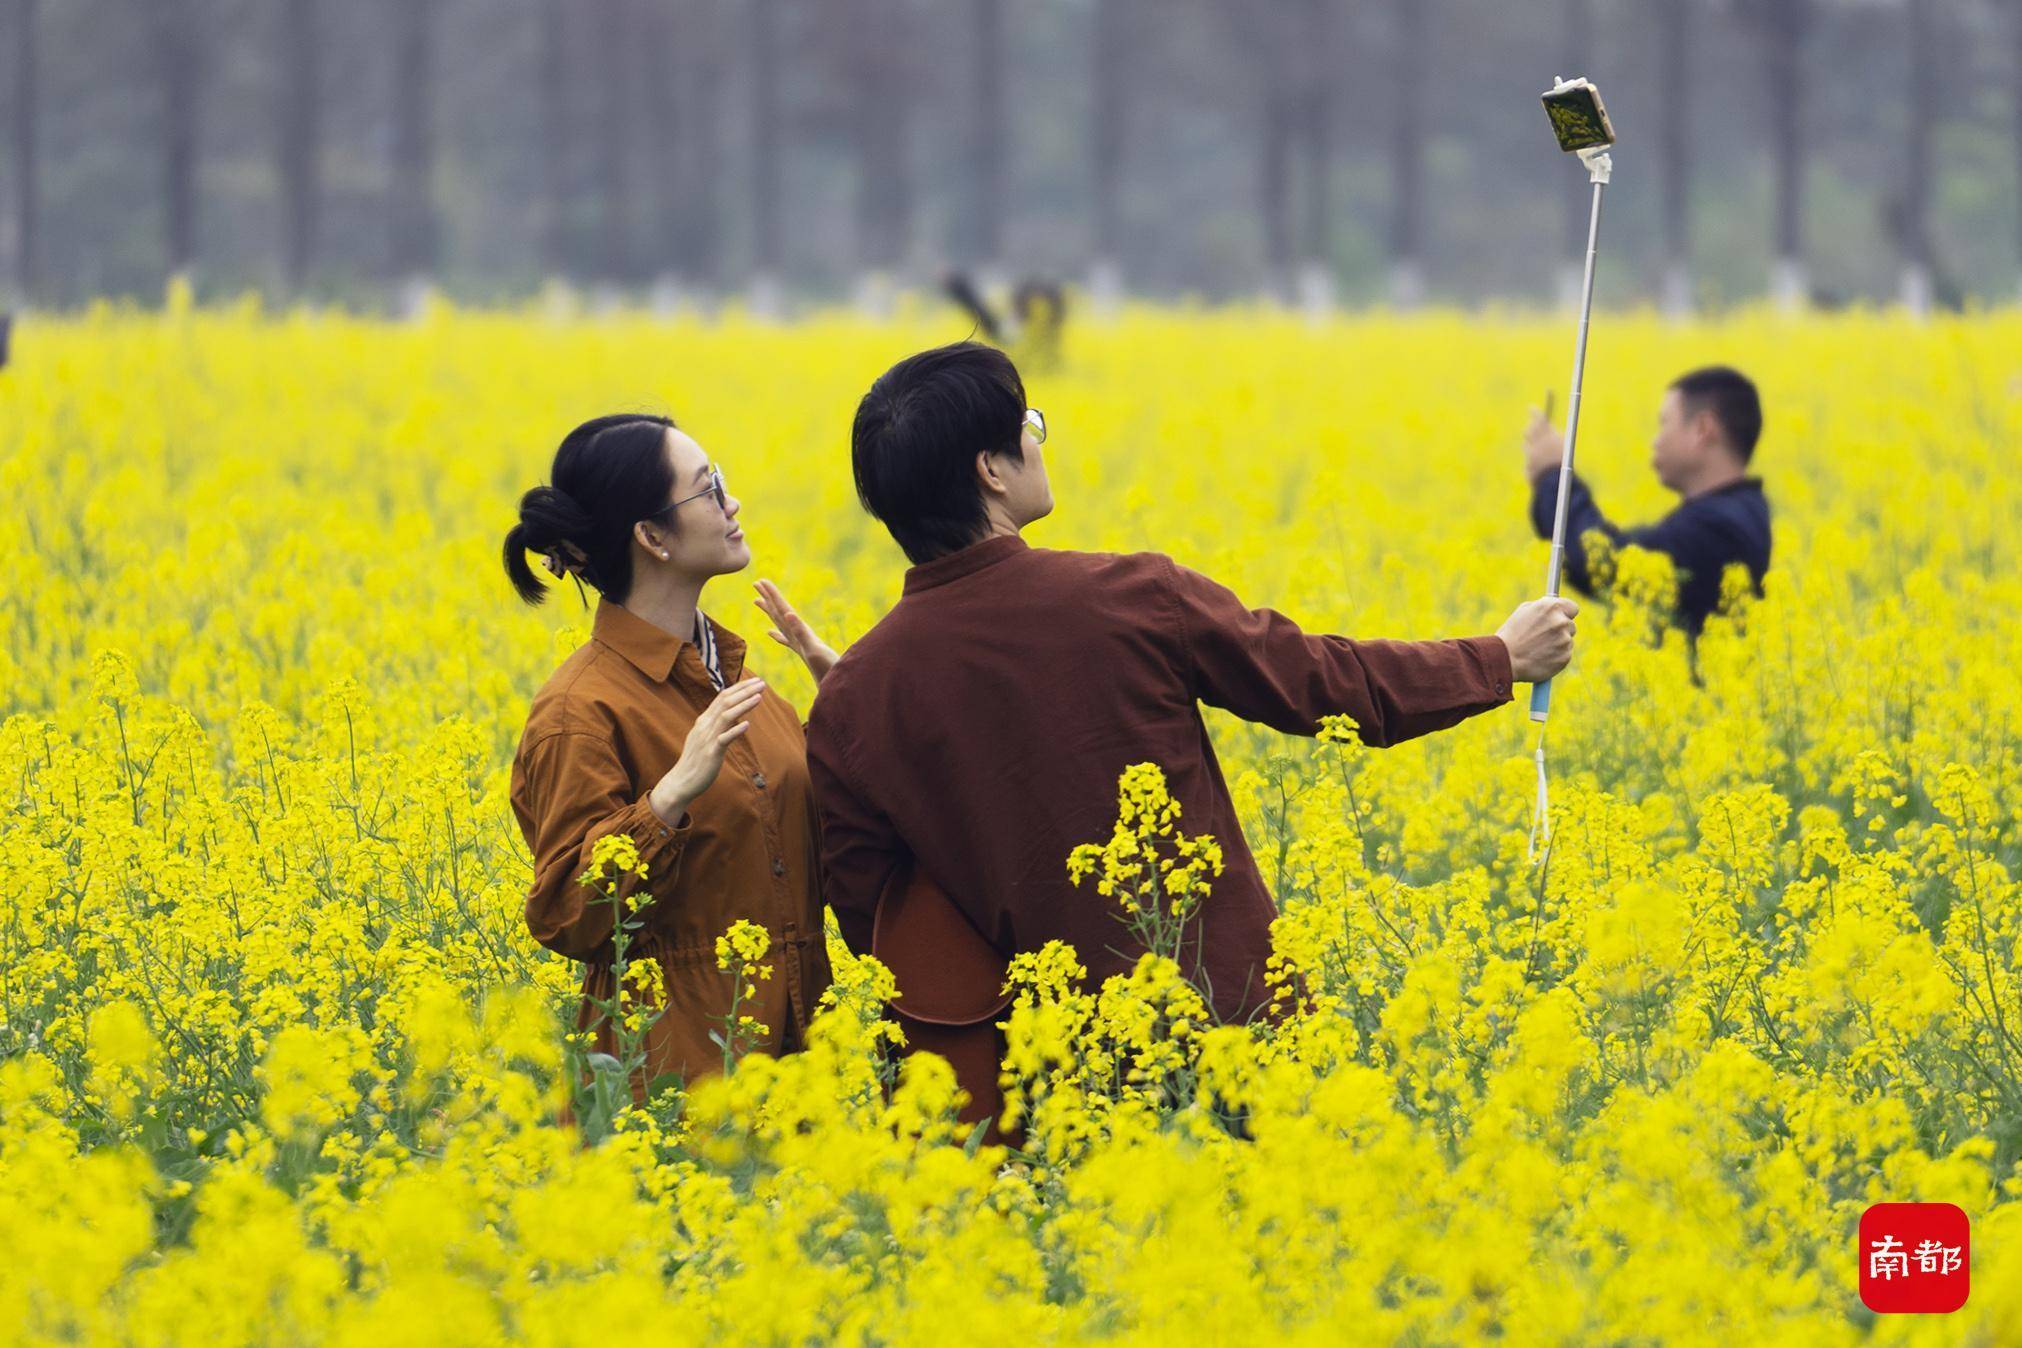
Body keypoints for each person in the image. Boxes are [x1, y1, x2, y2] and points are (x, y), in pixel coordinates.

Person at [804, 342, 1578, 1050]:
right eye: (1027, 424)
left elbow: (878, 923)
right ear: (991, 470)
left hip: (1046, 1072)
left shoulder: (849, 703)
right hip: (1236, 1025)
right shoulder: (1130, 596)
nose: (1038, 438)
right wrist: (1498, 658)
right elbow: (1324, 686)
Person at [502, 413, 839, 1096]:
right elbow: (568, 913)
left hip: (801, 1083)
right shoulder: (580, 712)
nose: (732, 503)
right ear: (652, 536)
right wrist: (668, 800)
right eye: (708, 489)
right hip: (672, 1095)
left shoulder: (746, 685)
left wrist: (848, 710)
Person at [1525, 365, 1772, 636]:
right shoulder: (1739, 512)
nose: (1656, 441)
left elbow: (1605, 564)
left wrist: (1554, 474)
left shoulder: (1721, 529)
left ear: (1703, 428)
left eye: (1664, 423)